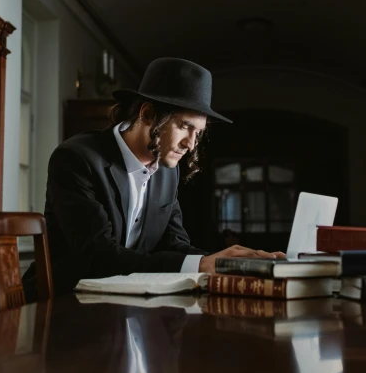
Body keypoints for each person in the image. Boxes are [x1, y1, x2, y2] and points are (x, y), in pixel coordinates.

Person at [23, 57, 284, 298]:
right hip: (61, 308)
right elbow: (97, 256)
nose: (191, 144)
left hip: (125, 303)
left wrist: (225, 262)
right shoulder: (76, 159)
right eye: (184, 126)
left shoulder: (168, 172)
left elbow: (174, 245)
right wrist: (203, 264)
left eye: (198, 133)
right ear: (147, 114)